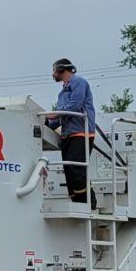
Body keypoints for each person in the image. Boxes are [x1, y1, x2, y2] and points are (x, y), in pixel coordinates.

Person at [47, 58, 97, 202]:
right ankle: (76, 201)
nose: (53, 74)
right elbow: (58, 118)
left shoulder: (79, 82)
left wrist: (55, 113)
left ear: (62, 69)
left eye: (54, 70)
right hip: (67, 135)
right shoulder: (61, 94)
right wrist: (45, 123)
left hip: (81, 132)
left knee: (77, 167)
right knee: (68, 170)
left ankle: (89, 202)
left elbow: (75, 104)